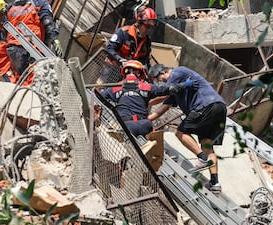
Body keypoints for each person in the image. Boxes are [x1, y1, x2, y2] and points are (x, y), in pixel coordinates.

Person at [147, 64, 227, 193]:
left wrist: (144, 99)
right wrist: (146, 119)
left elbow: (162, 94)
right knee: (207, 145)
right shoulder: (176, 90)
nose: (160, 81)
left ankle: (202, 158)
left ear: (162, 72)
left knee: (180, 132)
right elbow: (163, 107)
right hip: (219, 108)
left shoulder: (178, 72)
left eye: (158, 78)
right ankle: (214, 183)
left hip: (204, 105)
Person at [100, 60, 197, 137]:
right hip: (145, 125)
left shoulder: (114, 88)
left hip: (125, 126)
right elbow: (168, 89)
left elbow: (99, 97)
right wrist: (186, 84)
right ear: (139, 73)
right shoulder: (146, 87)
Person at [5, 0, 63, 83]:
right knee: (32, 80)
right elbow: (48, 22)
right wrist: (55, 39)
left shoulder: (11, 7)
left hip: (12, 49)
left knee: (19, 78)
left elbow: (4, 28)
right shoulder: (40, 4)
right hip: (31, 48)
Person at [97, 7, 157, 85]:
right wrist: (120, 60)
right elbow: (109, 48)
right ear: (139, 23)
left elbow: (145, 61)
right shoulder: (123, 33)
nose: (148, 30)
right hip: (112, 69)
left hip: (129, 74)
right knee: (100, 89)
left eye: (151, 28)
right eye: (147, 26)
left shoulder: (147, 42)